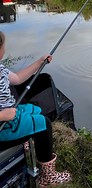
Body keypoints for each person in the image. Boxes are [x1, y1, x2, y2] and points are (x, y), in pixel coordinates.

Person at [0, 31, 71, 187]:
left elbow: (17, 78)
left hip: (10, 116)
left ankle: (27, 140)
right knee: (43, 124)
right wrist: (2, 115)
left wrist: (40, 62)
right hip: (3, 127)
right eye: (3, 46)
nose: (4, 50)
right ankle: (47, 177)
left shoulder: (0, 69)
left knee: (34, 110)